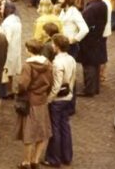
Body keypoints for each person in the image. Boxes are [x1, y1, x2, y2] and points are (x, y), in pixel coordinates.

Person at [15, 39, 54, 169]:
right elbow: (51, 81)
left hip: (30, 101)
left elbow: (23, 84)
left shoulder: (28, 66)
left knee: (29, 133)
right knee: (42, 132)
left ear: (29, 50)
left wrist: (18, 91)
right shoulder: (48, 64)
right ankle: (35, 160)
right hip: (42, 100)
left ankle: (26, 161)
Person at [43, 34, 76, 167]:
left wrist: (49, 99)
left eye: (53, 43)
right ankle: (66, 156)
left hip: (58, 100)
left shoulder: (57, 62)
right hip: (68, 97)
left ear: (56, 46)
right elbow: (73, 78)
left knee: (55, 129)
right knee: (65, 127)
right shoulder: (71, 59)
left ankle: (54, 158)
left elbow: (56, 85)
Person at [77, 0, 107, 97]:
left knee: (88, 65)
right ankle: (95, 87)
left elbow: (86, 25)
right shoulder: (102, 4)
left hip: (89, 41)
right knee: (95, 64)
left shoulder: (91, 8)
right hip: (97, 39)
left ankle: (89, 89)